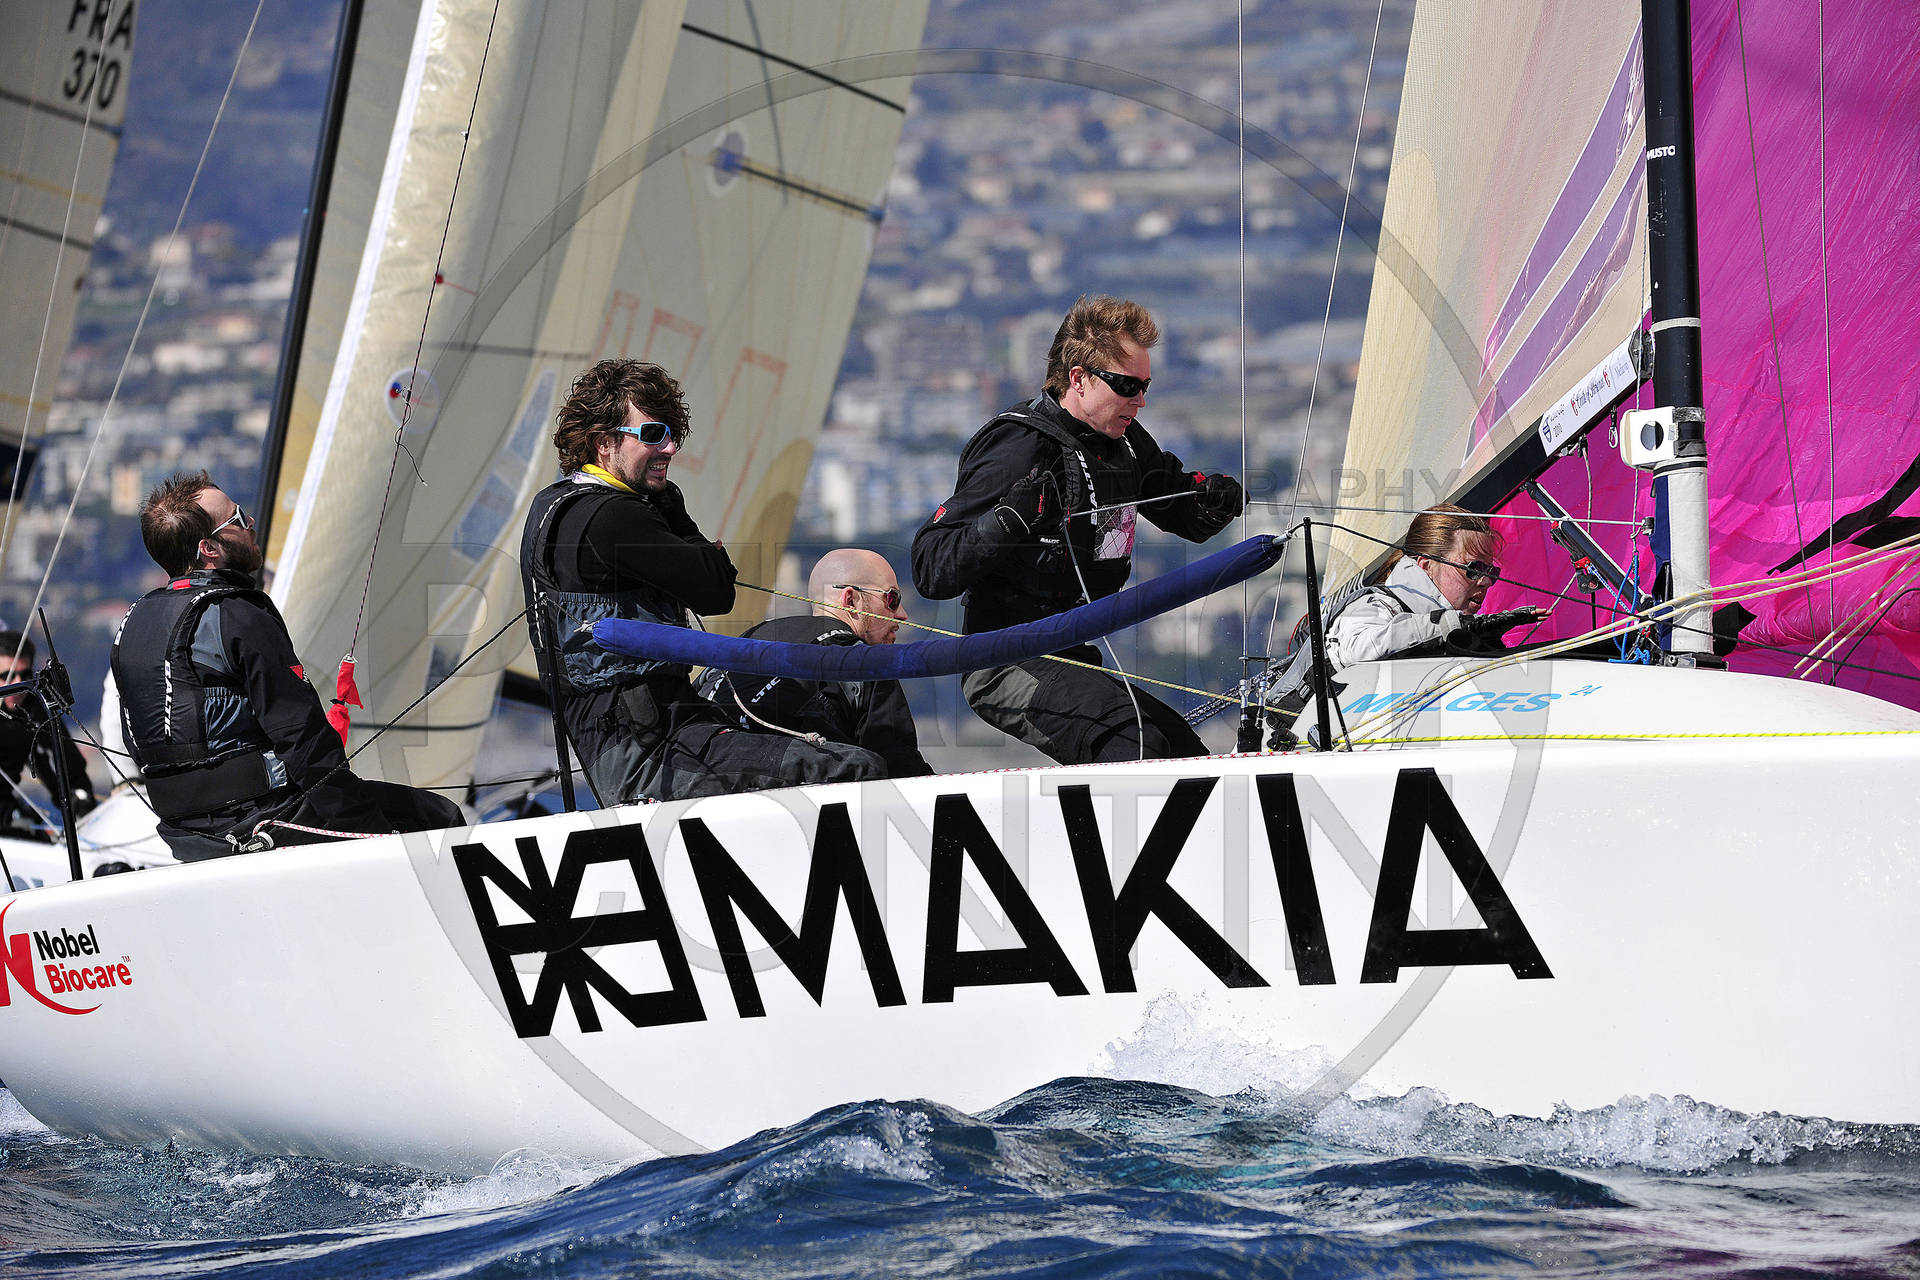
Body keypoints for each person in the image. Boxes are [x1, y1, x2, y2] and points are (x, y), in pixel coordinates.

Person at [520, 358, 884, 803]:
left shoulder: (552, 507)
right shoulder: (614, 516)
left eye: (673, 433)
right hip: (652, 753)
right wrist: (673, 508)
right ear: (604, 443)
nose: (670, 448)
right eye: (653, 434)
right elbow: (716, 591)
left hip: (627, 741)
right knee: (855, 767)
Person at [911, 294, 1245, 764]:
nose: (1140, 400)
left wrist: (1213, 499)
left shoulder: (1126, 441)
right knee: (1135, 746)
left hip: (1072, 654)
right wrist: (1010, 518)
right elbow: (931, 569)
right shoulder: (1020, 446)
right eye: (1127, 385)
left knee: (1185, 754)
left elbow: (1183, 516)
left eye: (1145, 385)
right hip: (1003, 660)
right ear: (1078, 378)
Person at [112, 472, 464, 861]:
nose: (251, 522)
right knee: (440, 818)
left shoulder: (133, 622)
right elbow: (301, 737)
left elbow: (137, 739)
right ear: (209, 548)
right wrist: (366, 828)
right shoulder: (238, 614)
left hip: (183, 833)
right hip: (264, 819)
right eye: (237, 519)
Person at [697, 548, 933, 778]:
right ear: (850, 599)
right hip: (784, 794)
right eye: (892, 599)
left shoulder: (750, 637)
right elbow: (901, 769)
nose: (902, 614)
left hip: (698, 777)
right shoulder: (863, 659)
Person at [1321, 504, 1551, 669]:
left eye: (1492, 572)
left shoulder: (1444, 628)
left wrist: (1488, 645)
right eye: (1474, 568)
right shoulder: (1376, 604)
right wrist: (1450, 625)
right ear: (1427, 566)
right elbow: (1355, 652)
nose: (1487, 581)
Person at [0, 630, 98, 835]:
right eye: (6, 676)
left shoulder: (34, 709)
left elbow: (63, 764)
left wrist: (80, 803)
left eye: (24, 675)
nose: (16, 684)